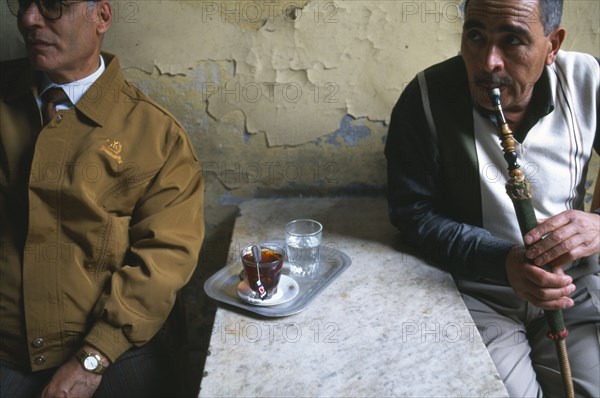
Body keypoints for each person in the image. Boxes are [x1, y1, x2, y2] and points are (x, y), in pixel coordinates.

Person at [385, 0, 599, 396]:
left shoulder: (590, 81)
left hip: (573, 283)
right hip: (481, 288)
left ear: (552, 45)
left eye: (513, 40)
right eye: (475, 35)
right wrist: (503, 262)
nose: (488, 63)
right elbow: (412, 213)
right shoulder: (426, 97)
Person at [0, 0, 205, 396]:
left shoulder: (156, 136)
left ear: (102, 17)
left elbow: (165, 257)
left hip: (113, 348)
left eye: (52, 5)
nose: (29, 19)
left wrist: (93, 357)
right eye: (22, 3)